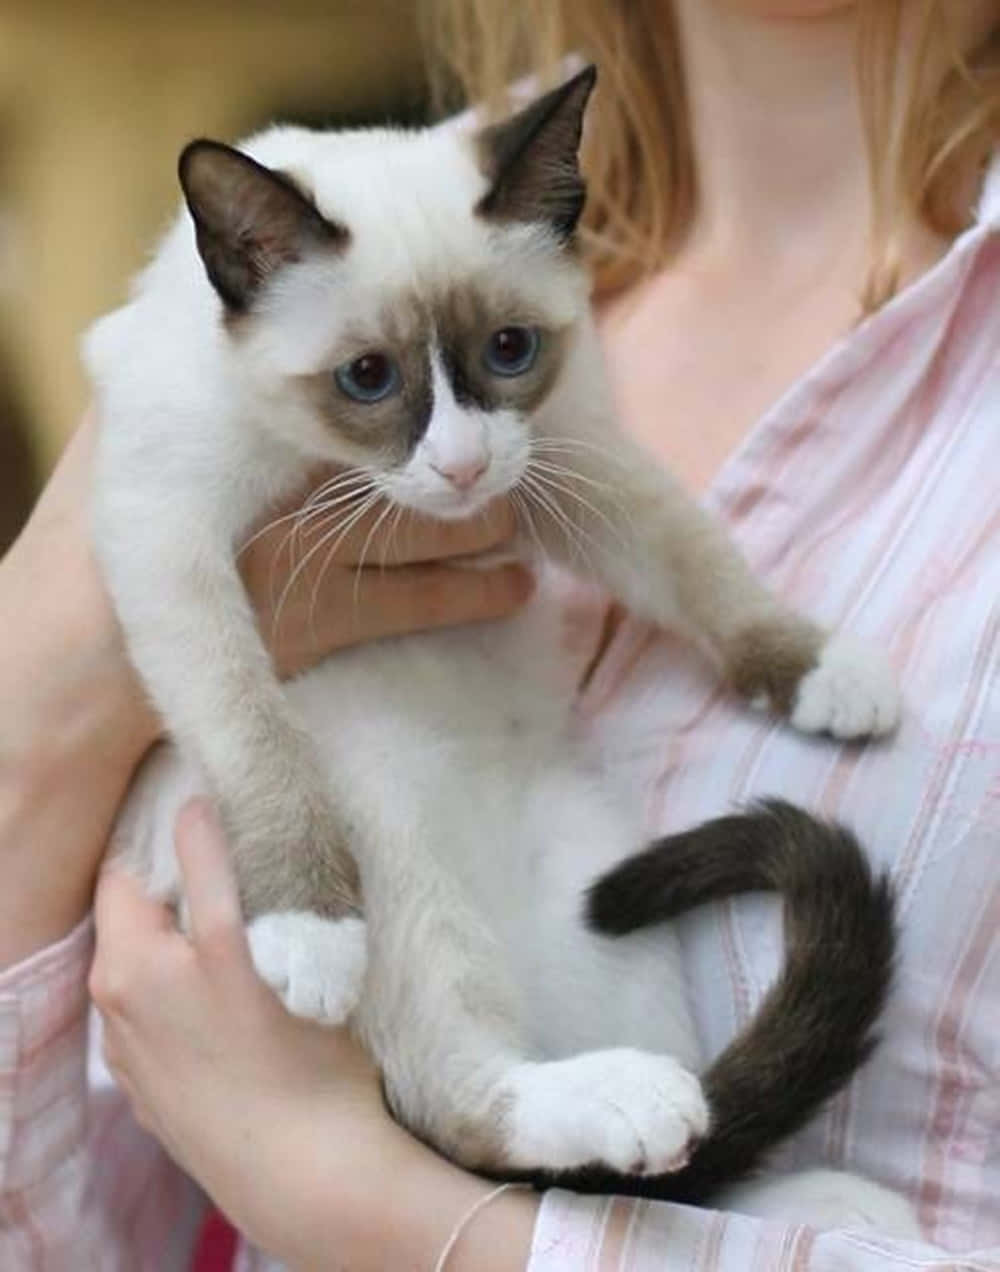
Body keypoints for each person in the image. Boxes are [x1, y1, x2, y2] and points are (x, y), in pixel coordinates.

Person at [1, 1, 998, 1268]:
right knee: (377, 759)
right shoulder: (396, 193)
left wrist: (366, 1204)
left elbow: (614, 498)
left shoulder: (498, 206)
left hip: (573, 1040)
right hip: (318, 873)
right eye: (370, 384)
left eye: (510, 359)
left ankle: (544, 1121)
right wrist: (35, 717)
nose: (461, 456)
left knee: (551, 832)